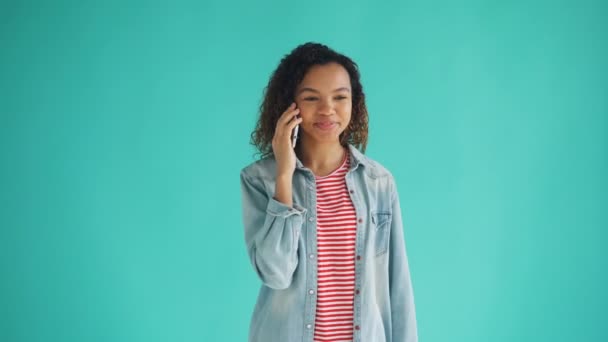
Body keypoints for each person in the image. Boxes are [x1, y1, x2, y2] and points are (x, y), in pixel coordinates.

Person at [240, 42, 418, 342]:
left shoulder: (378, 182)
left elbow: (397, 285)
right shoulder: (260, 180)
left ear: (355, 103)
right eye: (311, 97)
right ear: (289, 104)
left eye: (340, 97)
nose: (327, 110)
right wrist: (284, 173)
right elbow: (275, 273)